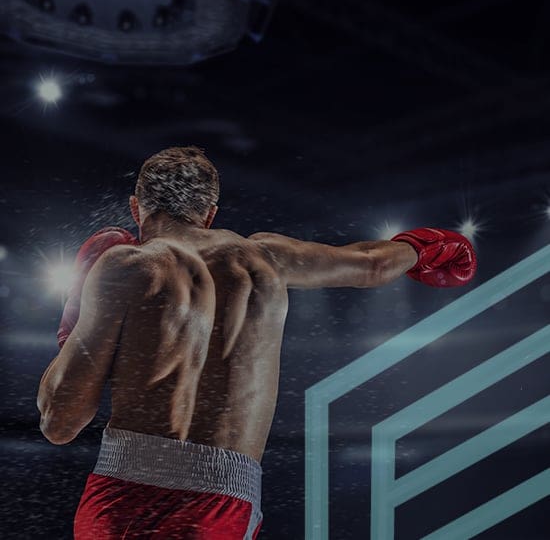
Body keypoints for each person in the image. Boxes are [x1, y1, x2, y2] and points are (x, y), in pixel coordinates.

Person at [37, 146, 477, 539]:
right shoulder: (264, 256)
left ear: (137, 208)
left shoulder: (123, 266)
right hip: (221, 501)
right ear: (210, 213)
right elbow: (372, 266)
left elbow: (60, 424)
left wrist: (76, 315)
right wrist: (424, 248)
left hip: (122, 497)